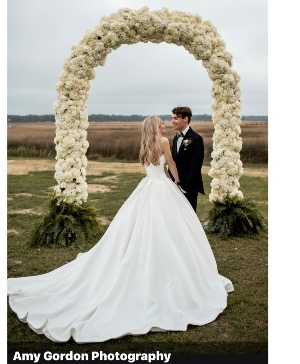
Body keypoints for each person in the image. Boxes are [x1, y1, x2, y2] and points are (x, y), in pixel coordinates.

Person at [7, 116, 233, 344]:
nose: (165, 125)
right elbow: (171, 165)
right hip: (162, 188)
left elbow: (149, 168)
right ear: (156, 127)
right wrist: (177, 182)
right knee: (169, 229)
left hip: (148, 187)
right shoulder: (163, 141)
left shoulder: (145, 144)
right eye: (162, 123)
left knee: (140, 227)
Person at [170, 106, 205, 212]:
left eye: (176, 118)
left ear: (185, 119)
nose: (173, 121)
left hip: (189, 189)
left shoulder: (196, 139)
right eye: (172, 118)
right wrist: (172, 182)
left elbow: (196, 166)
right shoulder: (176, 138)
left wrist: (184, 187)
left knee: (189, 219)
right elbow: (174, 162)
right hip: (174, 187)